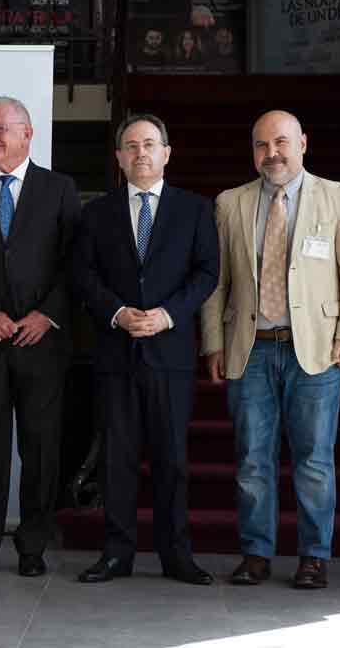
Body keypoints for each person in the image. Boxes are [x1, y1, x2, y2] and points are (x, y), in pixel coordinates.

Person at [201, 110, 340, 589]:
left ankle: (314, 556)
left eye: (281, 142)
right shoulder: (230, 203)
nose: (271, 153)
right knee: (252, 458)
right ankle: (256, 553)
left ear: (303, 144)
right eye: (261, 145)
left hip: (315, 349)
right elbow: (217, 282)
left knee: (314, 458)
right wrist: (213, 340)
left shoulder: (335, 196)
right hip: (251, 347)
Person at [72, 114, 219, 585]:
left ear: (166, 153)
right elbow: (83, 275)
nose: (141, 153)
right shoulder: (95, 212)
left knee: (171, 459)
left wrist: (167, 315)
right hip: (115, 354)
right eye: (131, 146)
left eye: (150, 144)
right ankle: (116, 554)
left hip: (170, 354)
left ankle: (176, 555)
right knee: (117, 458)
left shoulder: (194, 209)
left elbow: (207, 273)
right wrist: (117, 313)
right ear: (118, 157)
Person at [0, 96, 80, 577]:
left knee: (41, 447)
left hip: (42, 343)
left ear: (28, 134)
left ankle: (33, 546)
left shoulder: (60, 189)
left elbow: (75, 263)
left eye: (0, 129)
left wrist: (47, 314)